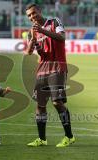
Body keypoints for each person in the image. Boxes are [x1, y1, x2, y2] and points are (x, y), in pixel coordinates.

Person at [25, 3, 75, 148]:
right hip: (42, 70)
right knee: (40, 106)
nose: (32, 16)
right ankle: (42, 139)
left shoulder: (54, 22)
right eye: (29, 15)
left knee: (57, 102)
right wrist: (33, 40)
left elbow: (61, 38)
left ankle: (69, 136)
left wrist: (42, 30)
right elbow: (28, 52)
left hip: (57, 67)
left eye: (34, 13)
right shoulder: (31, 31)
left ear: (40, 11)